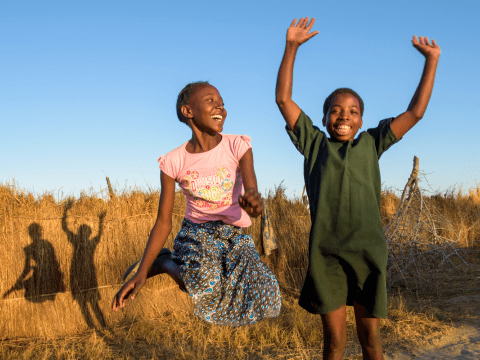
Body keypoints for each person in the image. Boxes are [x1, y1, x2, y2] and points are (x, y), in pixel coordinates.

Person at [275, 18, 440, 360]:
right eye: (335, 110)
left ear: (362, 120)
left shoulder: (371, 142)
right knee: (334, 343)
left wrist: (431, 60)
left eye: (352, 111)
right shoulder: (314, 143)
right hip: (327, 254)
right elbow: (283, 99)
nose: (343, 116)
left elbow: (416, 112)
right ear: (323, 119)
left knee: (371, 340)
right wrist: (291, 47)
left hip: (367, 254)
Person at [112, 81, 281, 326]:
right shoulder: (173, 162)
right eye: (210, 100)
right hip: (197, 233)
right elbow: (163, 221)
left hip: (233, 233)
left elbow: (253, 195)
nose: (220, 106)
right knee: (202, 283)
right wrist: (141, 274)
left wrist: (253, 205)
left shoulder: (238, 146)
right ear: (188, 111)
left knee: (265, 295)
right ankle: (165, 262)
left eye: (221, 102)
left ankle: (174, 264)